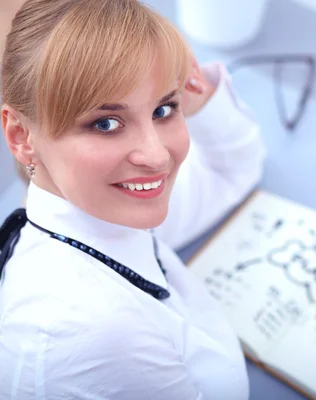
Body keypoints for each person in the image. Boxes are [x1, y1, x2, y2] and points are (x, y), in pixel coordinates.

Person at [0, 0, 266, 398]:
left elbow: (233, 172)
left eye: (164, 109)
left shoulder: (101, 212)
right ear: (22, 137)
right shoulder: (97, 335)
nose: (156, 155)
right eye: (105, 123)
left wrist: (197, 95)